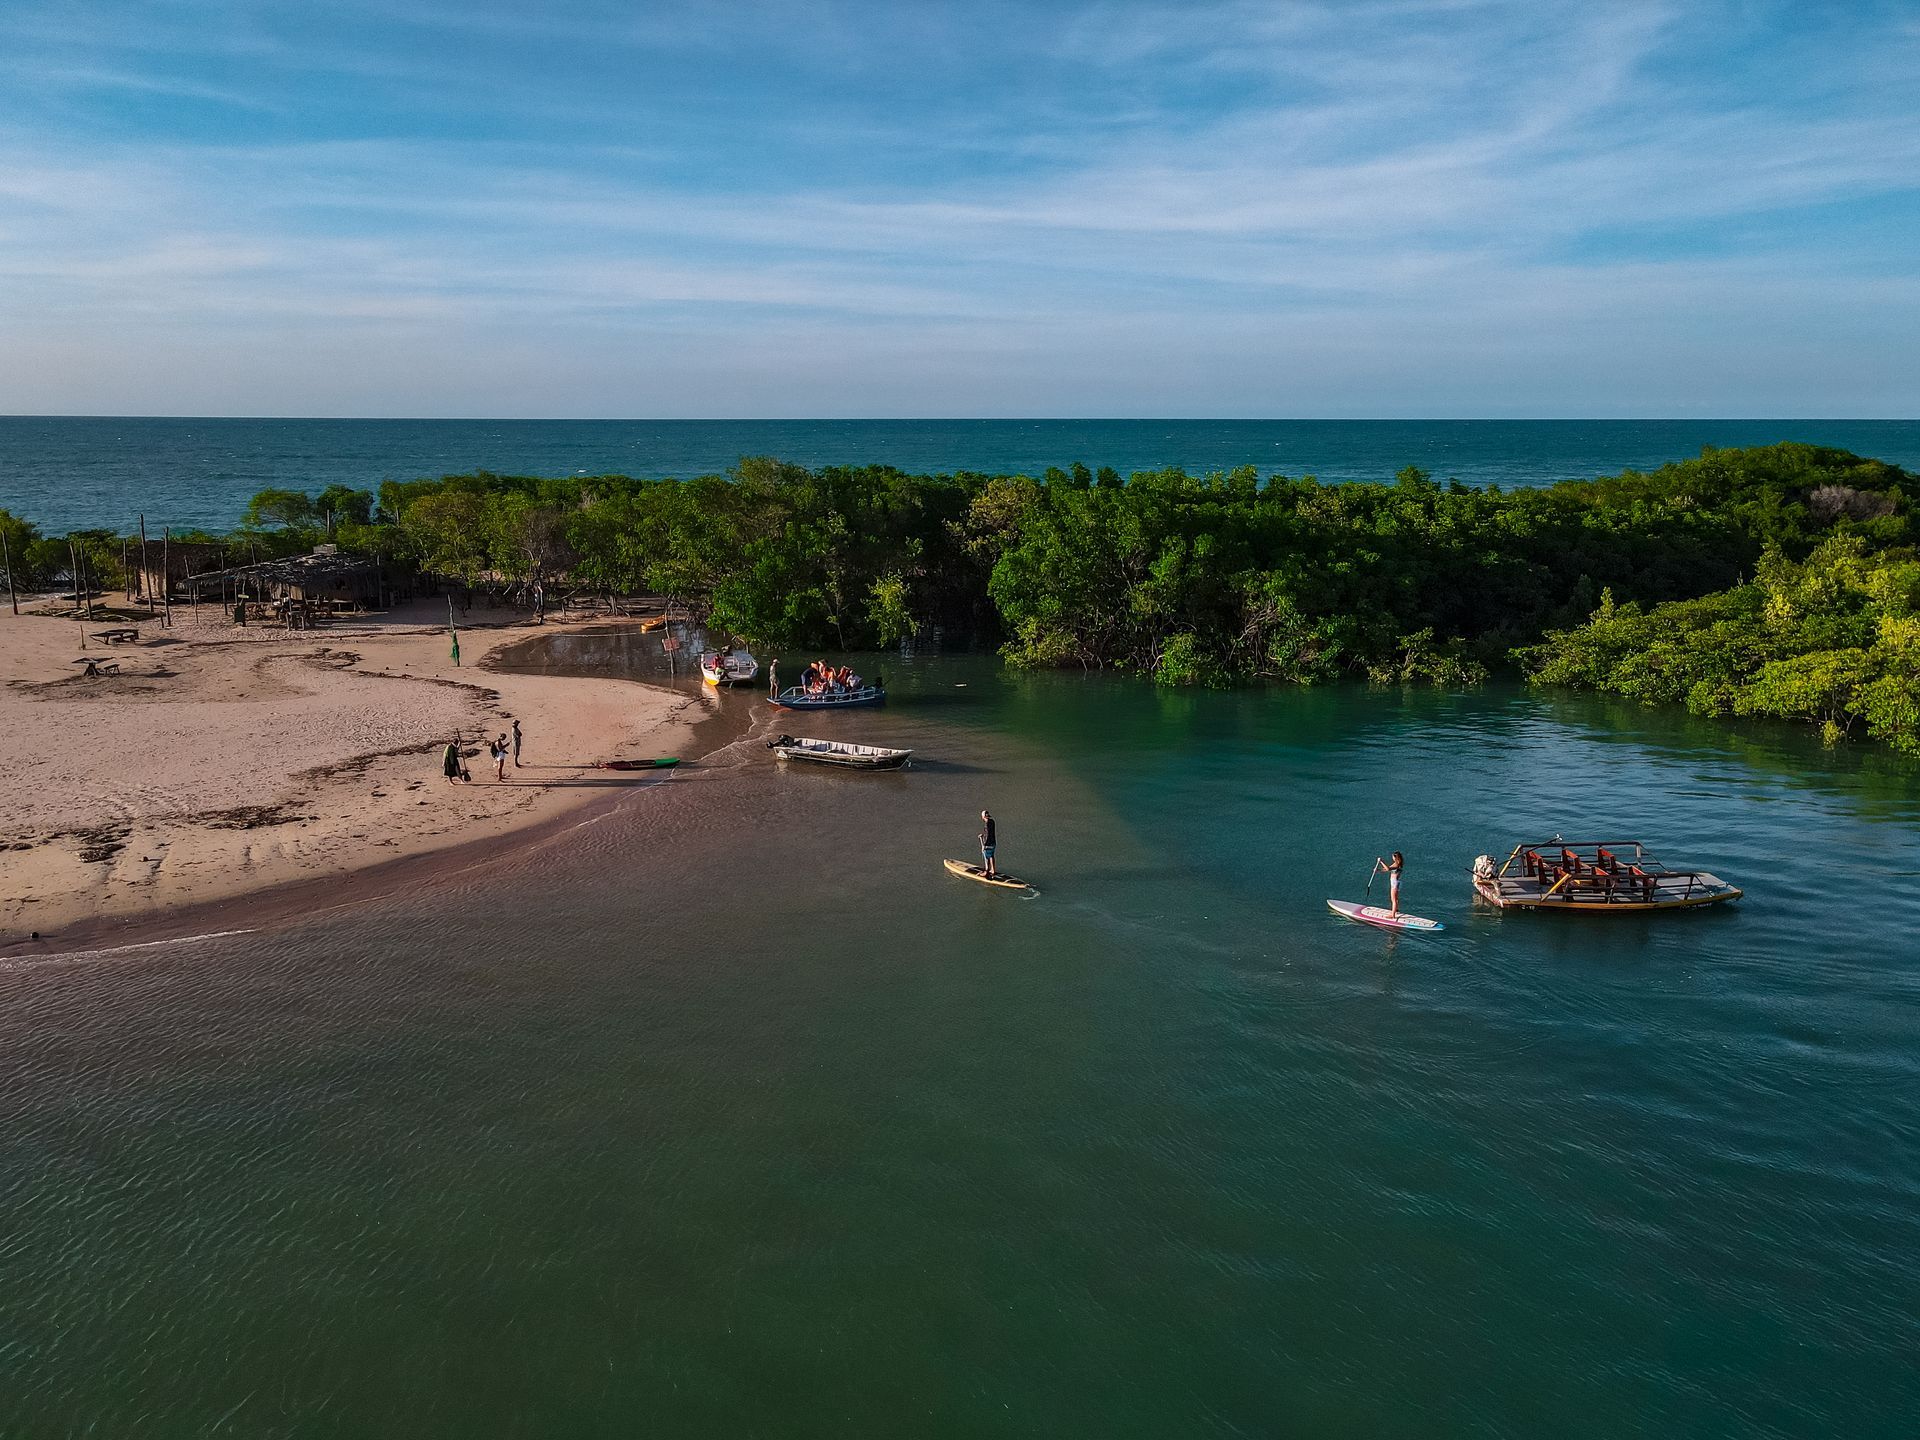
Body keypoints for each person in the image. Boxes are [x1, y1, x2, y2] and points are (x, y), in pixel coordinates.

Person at [1373, 851, 1405, 916]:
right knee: (1396, 898)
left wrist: (1381, 861)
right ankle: (1396, 910)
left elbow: (1387, 869)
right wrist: (1378, 870)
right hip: (1396, 882)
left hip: (1394, 883)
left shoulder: (1396, 864)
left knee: (1393, 899)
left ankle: (1393, 915)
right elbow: (1387, 869)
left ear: (1395, 857)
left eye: (1393, 856)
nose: (1392, 857)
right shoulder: (1396, 863)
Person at [979, 808, 998, 878]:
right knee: (991, 855)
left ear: (983, 817)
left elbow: (988, 834)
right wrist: (983, 835)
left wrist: (984, 845)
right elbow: (989, 832)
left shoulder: (987, 824)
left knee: (986, 857)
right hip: (993, 842)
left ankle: (986, 871)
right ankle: (993, 870)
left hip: (988, 844)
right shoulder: (992, 821)